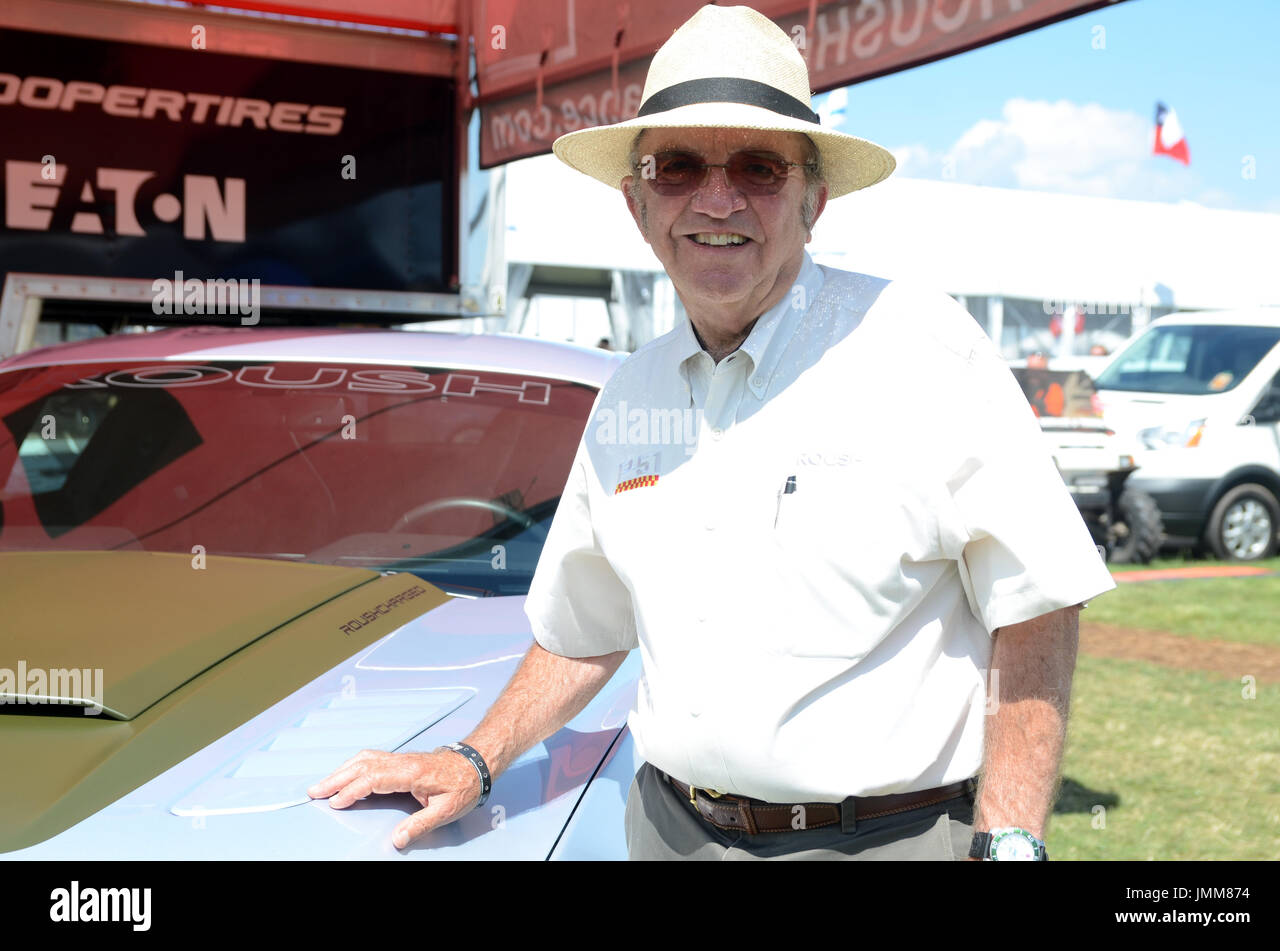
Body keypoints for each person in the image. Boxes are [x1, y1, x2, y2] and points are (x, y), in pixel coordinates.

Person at [308, 4, 1115, 861]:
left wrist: (1012, 839)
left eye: (760, 168)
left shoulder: (925, 351)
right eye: (678, 166)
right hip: (668, 831)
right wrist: (478, 755)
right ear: (637, 202)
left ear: (814, 201)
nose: (717, 199)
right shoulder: (630, 395)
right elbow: (587, 627)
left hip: (886, 839)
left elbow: (1036, 602)